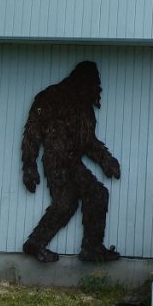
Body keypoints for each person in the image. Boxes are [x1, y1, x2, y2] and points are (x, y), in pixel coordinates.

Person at [20, 61, 121, 263]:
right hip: (57, 161)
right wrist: (29, 167)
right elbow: (32, 135)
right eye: (94, 83)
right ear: (84, 82)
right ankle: (39, 244)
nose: (97, 89)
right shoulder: (50, 97)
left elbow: (87, 142)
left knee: (93, 196)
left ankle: (90, 248)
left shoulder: (83, 106)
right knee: (69, 203)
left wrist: (106, 160)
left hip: (71, 161)